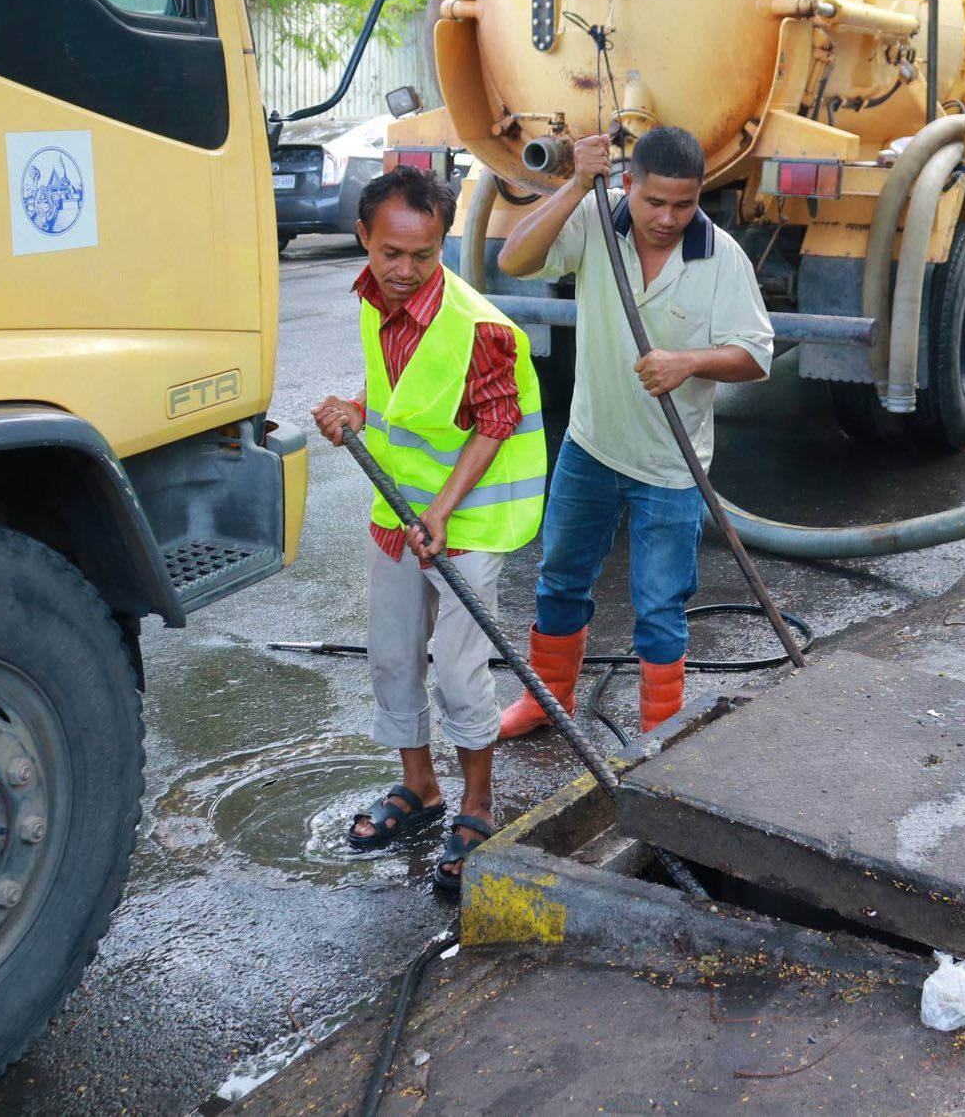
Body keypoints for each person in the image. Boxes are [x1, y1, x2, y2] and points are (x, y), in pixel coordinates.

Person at [310, 166, 546, 896]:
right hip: (398, 513)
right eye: (391, 253)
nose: (406, 271)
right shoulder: (371, 296)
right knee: (391, 656)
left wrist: (442, 510)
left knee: (459, 670)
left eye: (423, 254)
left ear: (442, 242)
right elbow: (398, 393)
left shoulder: (480, 328)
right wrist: (355, 409)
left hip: (467, 520)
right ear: (364, 238)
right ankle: (420, 787)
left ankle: (477, 804)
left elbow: (496, 422)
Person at [495, 126, 774, 737]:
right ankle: (548, 700)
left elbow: (757, 356)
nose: (668, 218)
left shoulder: (721, 257)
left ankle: (661, 733)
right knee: (560, 579)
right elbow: (513, 260)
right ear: (628, 184)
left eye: (684, 204)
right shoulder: (595, 219)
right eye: (655, 202)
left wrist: (690, 362)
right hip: (590, 446)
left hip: (672, 467)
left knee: (660, 604)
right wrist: (576, 183)